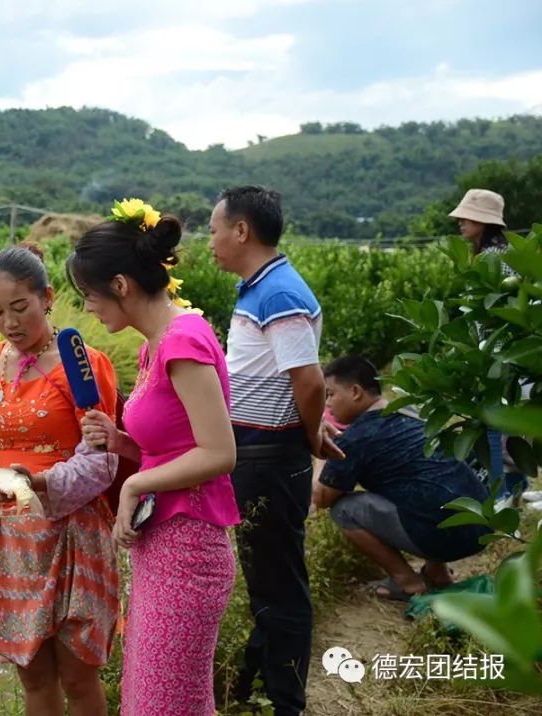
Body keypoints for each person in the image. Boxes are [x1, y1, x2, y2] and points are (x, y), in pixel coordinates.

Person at [0, 244, 120, 715]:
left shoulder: (84, 364)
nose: (9, 323)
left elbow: (101, 461)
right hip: (14, 539)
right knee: (33, 676)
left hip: (75, 534)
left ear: (48, 297)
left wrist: (35, 482)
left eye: (20, 308)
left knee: (78, 676)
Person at [71, 200, 240, 715]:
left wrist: (134, 484)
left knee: (164, 704)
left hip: (189, 547)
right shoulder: (154, 346)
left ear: (120, 285)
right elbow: (174, 445)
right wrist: (123, 444)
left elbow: (219, 451)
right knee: (159, 699)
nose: (88, 309)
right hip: (161, 544)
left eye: (89, 296)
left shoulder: (184, 340)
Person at [208, 185, 342, 716]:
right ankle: (251, 687)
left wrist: (311, 436)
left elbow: (308, 383)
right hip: (256, 451)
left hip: (269, 453)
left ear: (242, 231)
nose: (211, 241)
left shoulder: (279, 294)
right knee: (269, 581)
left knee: (281, 588)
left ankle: (286, 702)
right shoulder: (260, 287)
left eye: (215, 230)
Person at [313, 356, 490, 600]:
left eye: (330, 394)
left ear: (355, 392)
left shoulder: (357, 438)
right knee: (417, 485)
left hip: (448, 537)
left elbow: (320, 498)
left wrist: (322, 449)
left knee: (344, 508)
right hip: (483, 525)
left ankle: (408, 583)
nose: (327, 405)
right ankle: (438, 573)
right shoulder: (409, 411)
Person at [448, 187, 525, 503]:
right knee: (510, 426)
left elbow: (490, 310)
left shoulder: (492, 257)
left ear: (485, 221)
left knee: (494, 426)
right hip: (502, 349)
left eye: (468, 217)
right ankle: (514, 490)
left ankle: (502, 494)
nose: (461, 223)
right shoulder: (494, 253)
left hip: (497, 351)